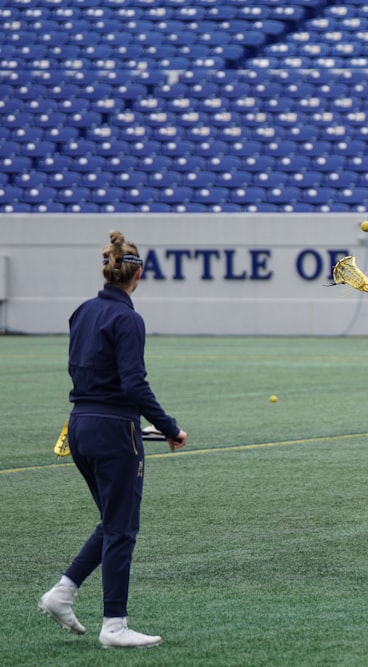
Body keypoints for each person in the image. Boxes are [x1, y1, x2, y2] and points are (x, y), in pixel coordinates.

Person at [39, 230, 187, 649]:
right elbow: (134, 385)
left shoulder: (82, 311)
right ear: (137, 276)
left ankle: (63, 591)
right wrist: (170, 426)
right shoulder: (128, 318)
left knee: (112, 521)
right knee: (122, 528)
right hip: (115, 431)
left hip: (80, 427)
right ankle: (114, 625)